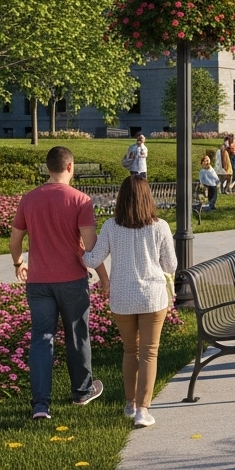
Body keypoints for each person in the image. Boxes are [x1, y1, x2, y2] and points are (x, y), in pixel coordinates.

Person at [9, 146, 108, 420]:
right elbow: (91, 246)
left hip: (38, 282)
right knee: (77, 335)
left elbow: (15, 241)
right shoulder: (80, 200)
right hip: (72, 280)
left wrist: (19, 264)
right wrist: (103, 276)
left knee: (42, 339)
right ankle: (82, 392)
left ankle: (41, 405)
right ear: (70, 167)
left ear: (48, 167)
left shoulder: (29, 199)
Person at [82, 177, 177, 428]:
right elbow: (170, 265)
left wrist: (77, 247)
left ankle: (130, 403)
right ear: (148, 197)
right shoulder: (160, 227)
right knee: (149, 352)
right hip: (152, 297)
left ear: (121, 199)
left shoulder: (111, 226)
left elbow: (92, 260)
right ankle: (143, 411)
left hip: (122, 297)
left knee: (129, 350)